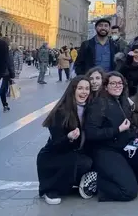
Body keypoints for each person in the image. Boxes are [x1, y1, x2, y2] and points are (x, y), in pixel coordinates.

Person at [84, 72, 138, 202]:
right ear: (106, 86)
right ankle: (98, 183)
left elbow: (129, 125)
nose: (117, 86)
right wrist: (117, 130)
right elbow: (91, 133)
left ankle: (126, 180)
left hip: (125, 144)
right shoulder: (99, 104)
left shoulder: (124, 101)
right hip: (106, 150)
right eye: (113, 83)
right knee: (129, 192)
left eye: (120, 83)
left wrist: (135, 137)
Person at [36, 76, 96, 205]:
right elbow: (56, 144)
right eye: (80, 88)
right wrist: (68, 138)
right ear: (73, 90)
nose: (84, 92)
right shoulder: (61, 112)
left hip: (79, 152)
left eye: (87, 88)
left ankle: (77, 181)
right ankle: (52, 189)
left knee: (90, 161)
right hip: (55, 155)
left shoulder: (90, 109)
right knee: (75, 161)